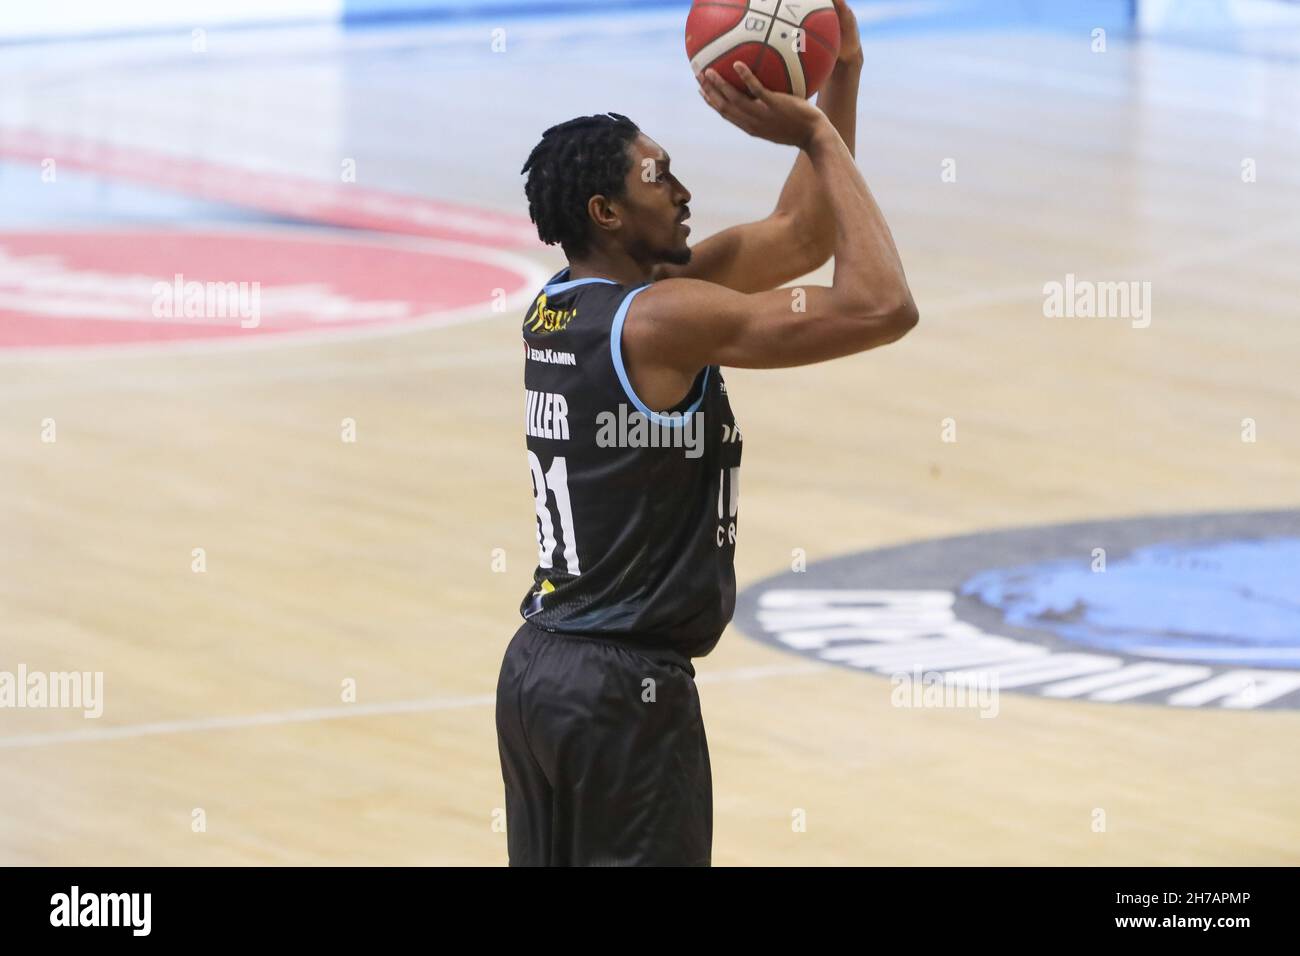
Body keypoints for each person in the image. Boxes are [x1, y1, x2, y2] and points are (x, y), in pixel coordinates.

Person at [497, 0, 916, 865]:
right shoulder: (661, 322)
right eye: (659, 177)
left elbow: (805, 234)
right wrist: (821, 143)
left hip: (540, 673)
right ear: (605, 212)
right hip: (624, 694)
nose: (683, 191)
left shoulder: (564, 305)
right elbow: (882, 305)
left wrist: (842, 75)